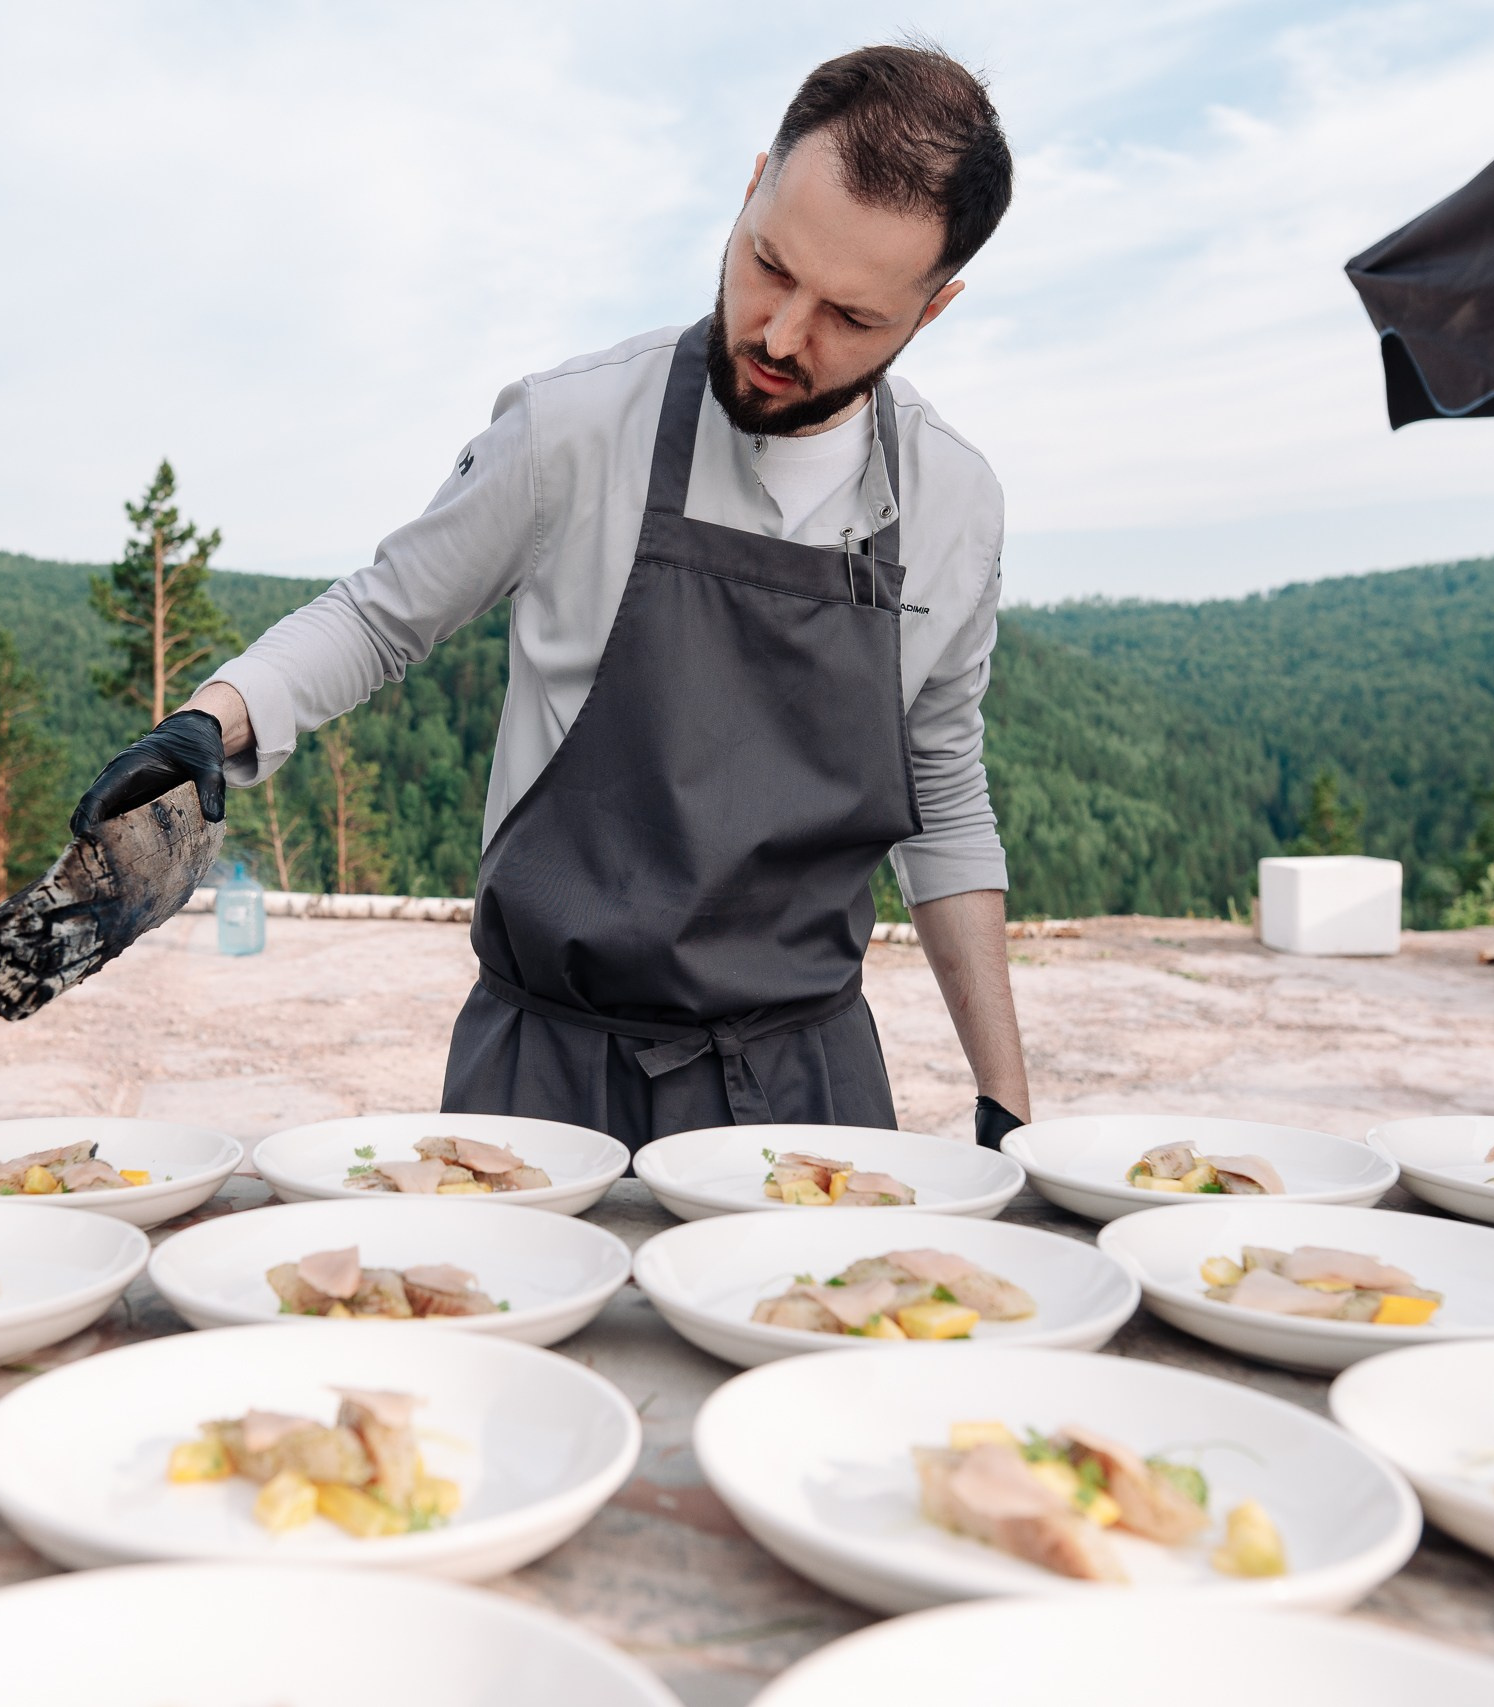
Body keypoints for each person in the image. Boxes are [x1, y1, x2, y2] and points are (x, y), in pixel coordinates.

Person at [73, 44, 1032, 1149]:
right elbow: (382, 615)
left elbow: (944, 799)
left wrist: (1006, 1104)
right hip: (543, 1078)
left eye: (848, 318)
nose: (777, 334)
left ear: (933, 307)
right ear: (753, 181)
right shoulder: (572, 427)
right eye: (767, 264)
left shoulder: (956, 503)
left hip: (807, 1094)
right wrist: (213, 718)